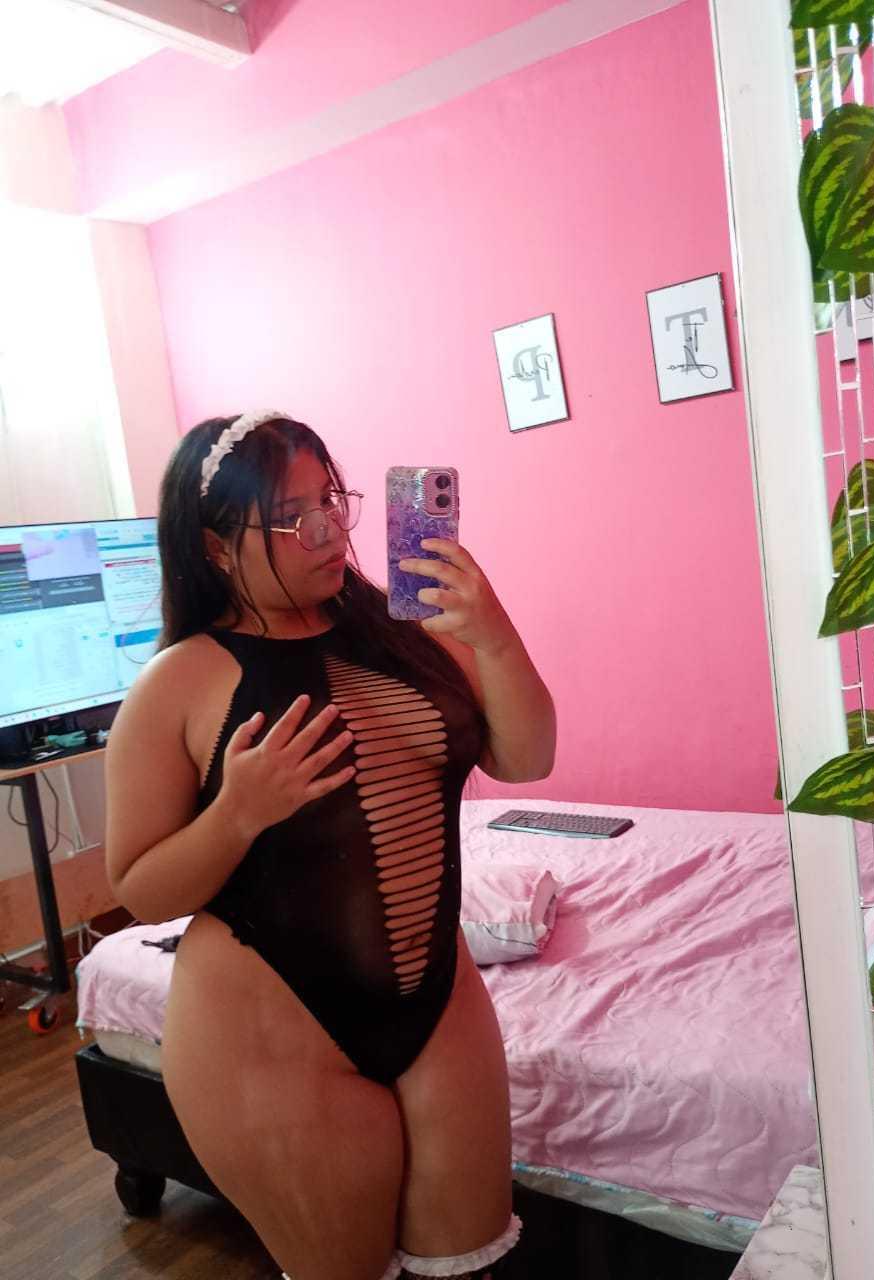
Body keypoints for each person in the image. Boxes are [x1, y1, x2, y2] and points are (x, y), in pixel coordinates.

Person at [104, 412, 557, 1280]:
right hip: (268, 1028)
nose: (327, 530)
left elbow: (526, 757)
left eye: (330, 500)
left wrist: (492, 633)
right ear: (216, 546)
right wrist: (238, 812)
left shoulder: (399, 629)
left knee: (472, 1264)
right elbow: (141, 890)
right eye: (291, 516)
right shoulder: (179, 681)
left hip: (439, 998)